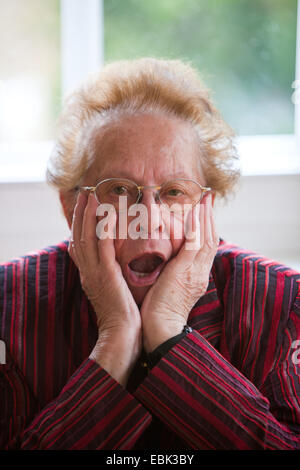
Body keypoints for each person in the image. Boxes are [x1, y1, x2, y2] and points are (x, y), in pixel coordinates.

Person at [0, 58, 299, 450]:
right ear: (71, 206)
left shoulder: (283, 303)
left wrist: (169, 332)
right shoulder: (9, 305)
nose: (150, 218)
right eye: (120, 190)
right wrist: (116, 339)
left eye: (175, 192)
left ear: (204, 208)